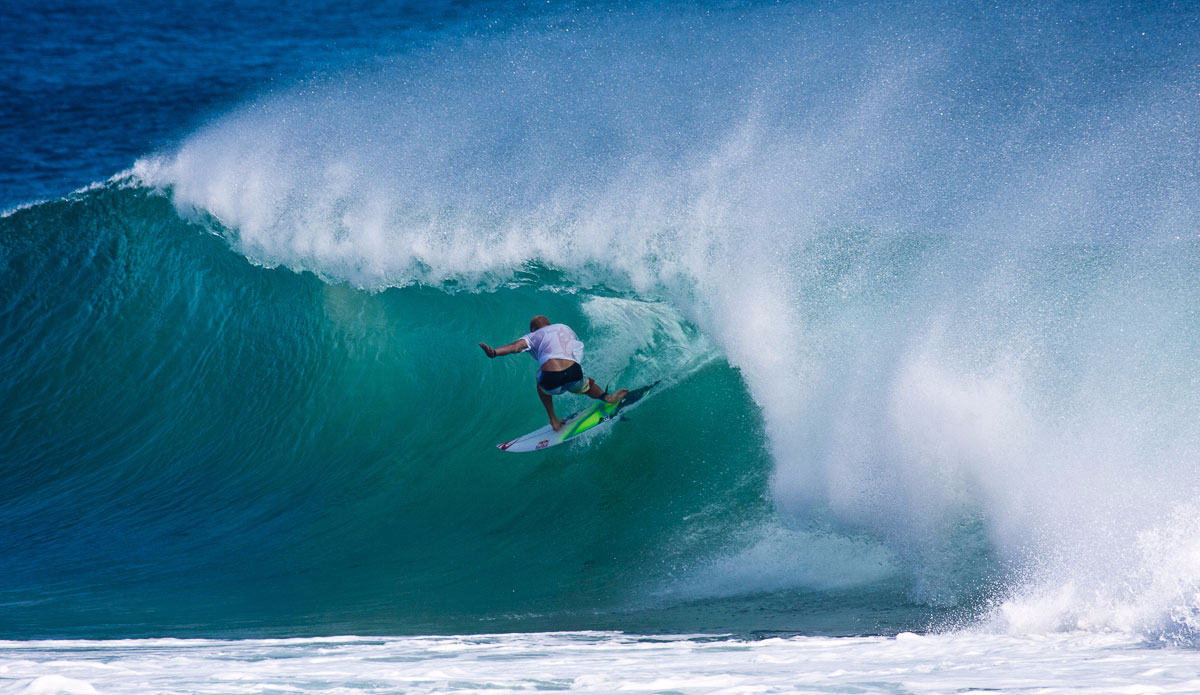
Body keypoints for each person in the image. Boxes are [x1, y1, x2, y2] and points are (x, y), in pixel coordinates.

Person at [479, 315, 628, 431]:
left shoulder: (532, 336)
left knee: (540, 380)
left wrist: (494, 353)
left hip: (552, 378)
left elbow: (515, 347)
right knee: (586, 385)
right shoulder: (564, 327)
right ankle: (607, 397)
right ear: (549, 324)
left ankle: (554, 420)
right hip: (573, 372)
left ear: (533, 329)